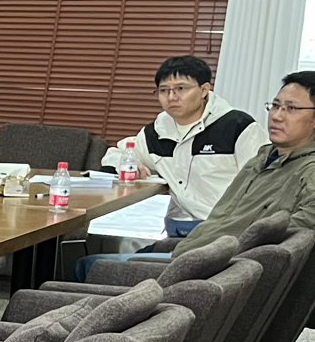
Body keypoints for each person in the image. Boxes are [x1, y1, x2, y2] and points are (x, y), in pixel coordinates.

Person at [75, 73, 315, 278]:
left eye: (291, 108)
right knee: (96, 259)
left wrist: (214, 257)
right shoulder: (264, 157)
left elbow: (293, 237)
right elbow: (223, 219)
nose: (277, 115)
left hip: (210, 268)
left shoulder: (300, 166)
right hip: (194, 247)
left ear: (204, 90)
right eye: (275, 106)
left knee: (87, 266)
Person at [102, 55, 264, 238]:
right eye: (164, 90)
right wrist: (128, 162)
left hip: (226, 231)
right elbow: (114, 154)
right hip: (177, 229)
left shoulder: (238, 127)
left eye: (181, 88)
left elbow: (264, 185)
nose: (172, 97)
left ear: (204, 90)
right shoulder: (155, 133)